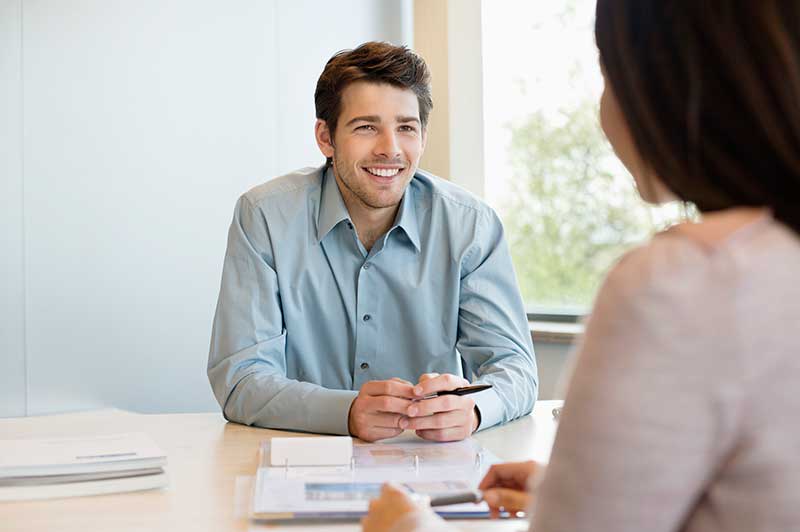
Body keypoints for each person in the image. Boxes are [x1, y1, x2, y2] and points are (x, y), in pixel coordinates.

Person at [363, 0, 800, 530]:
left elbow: (513, 367)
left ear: (667, 87)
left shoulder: (681, 281)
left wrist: (408, 526)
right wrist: (573, 488)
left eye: (606, 71)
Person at [207, 42, 537, 443]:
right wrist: (345, 412)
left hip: (428, 463)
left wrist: (473, 411)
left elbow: (515, 369)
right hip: (304, 460)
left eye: (406, 128)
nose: (390, 149)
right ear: (325, 138)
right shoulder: (264, 216)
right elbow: (241, 380)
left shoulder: (470, 226)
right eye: (366, 127)